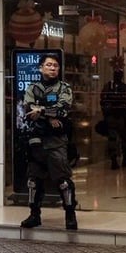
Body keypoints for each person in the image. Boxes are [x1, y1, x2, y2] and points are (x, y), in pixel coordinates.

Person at [19, 53, 77, 230]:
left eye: (55, 66)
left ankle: (70, 215)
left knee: (63, 181)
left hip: (56, 140)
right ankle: (34, 215)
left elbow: (63, 109)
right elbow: (28, 109)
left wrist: (42, 112)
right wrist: (49, 115)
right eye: (49, 65)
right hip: (36, 140)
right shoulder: (33, 88)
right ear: (40, 68)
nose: (53, 68)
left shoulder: (64, 88)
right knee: (33, 180)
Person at [100, 68, 126, 169]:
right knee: (125, 139)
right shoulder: (125, 87)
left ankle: (114, 160)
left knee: (112, 139)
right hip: (122, 117)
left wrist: (105, 112)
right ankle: (125, 159)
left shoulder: (107, 86)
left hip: (111, 116)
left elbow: (102, 100)